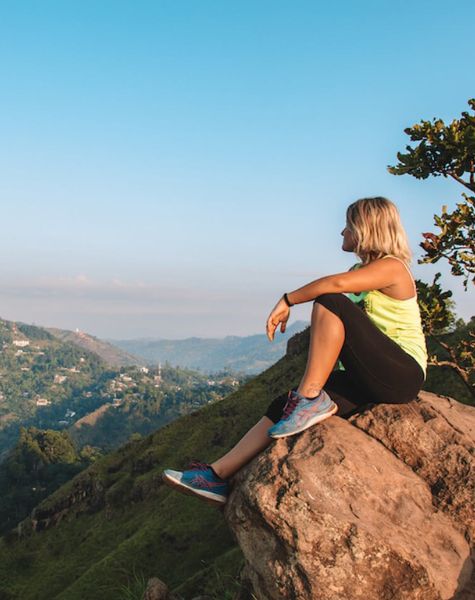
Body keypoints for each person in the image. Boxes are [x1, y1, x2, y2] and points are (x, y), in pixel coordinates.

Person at [162, 197, 428, 506]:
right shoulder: (361, 269)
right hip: (368, 375)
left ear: (365, 228)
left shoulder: (393, 268)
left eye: (348, 225)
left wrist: (288, 299)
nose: (342, 232)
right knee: (283, 405)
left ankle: (310, 397)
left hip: (402, 372)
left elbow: (336, 284)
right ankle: (216, 476)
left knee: (331, 300)